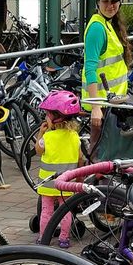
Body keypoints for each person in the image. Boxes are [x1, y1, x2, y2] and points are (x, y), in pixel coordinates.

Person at [82, 0, 133, 153]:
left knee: (108, 154)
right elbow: (90, 69)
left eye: (115, 1)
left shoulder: (108, 23)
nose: (110, 6)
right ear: (98, 2)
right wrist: (96, 107)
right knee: (98, 155)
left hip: (112, 102)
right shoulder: (97, 28)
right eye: (105, 1)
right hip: (102, 104)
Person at [35, 90, 86, 249]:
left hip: (48, 183)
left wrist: (41, 133)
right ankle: (64, 239)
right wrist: (79, 180)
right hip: (67, 182)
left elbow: (38, 150)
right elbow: (80, 159)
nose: (46, 118)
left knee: (46, 212)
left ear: (55, 117)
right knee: (65, 211)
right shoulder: (74, 137)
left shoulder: (47, 138)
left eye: (47, 115)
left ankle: (44, 238)